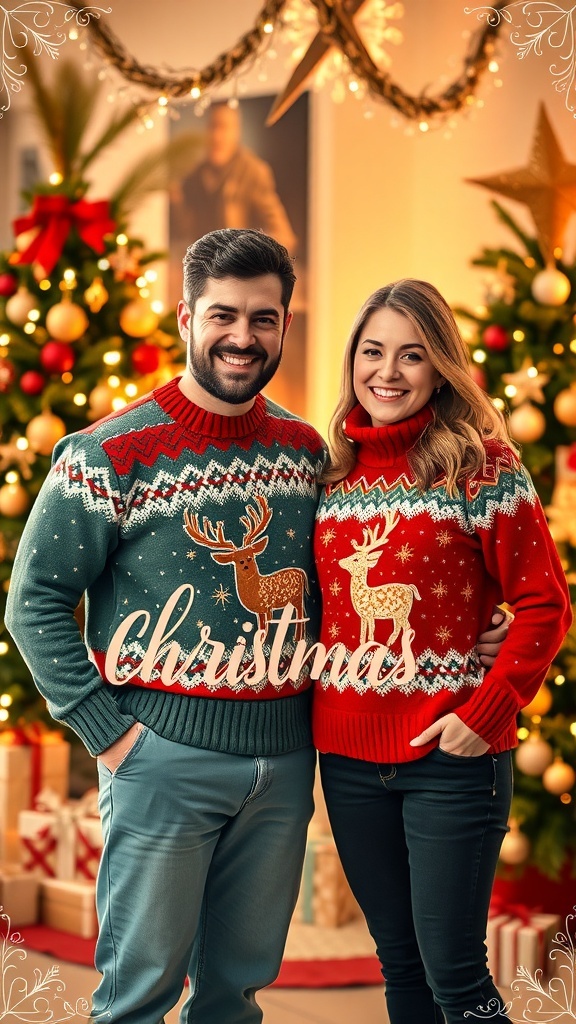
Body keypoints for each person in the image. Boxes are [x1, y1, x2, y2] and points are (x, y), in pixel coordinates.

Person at [5, 235, 508, 1024]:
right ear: (186, 318)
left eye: (263, 318)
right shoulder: (104, 455)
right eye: (224, 316)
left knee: (236, 995)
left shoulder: (310, 454)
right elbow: (32, 602)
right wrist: (110, 735)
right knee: (137, 995)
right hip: (159, 759)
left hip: (284, 764)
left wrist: (480, 622)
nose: (243, 336)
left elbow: (358, 577)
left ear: (285, 326)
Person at [313, 278, 572, 1024]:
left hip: (451, 758)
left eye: (412, 354)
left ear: (441, 367)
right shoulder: (329, 474)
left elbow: (545, 602)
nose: (388, 372)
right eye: (373, 352)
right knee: (399, 963)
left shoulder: (481, 466)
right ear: (352, 360)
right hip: (348, 761)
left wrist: (485, 714)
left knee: (456, 975)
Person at [176, 102, 296, 254]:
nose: (216, 137)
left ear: (236, 132)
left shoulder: (253, 172)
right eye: (212, 126)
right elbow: (184, 232)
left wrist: (248, 255)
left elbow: (284, 236)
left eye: (224, 127)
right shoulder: (194, 175)